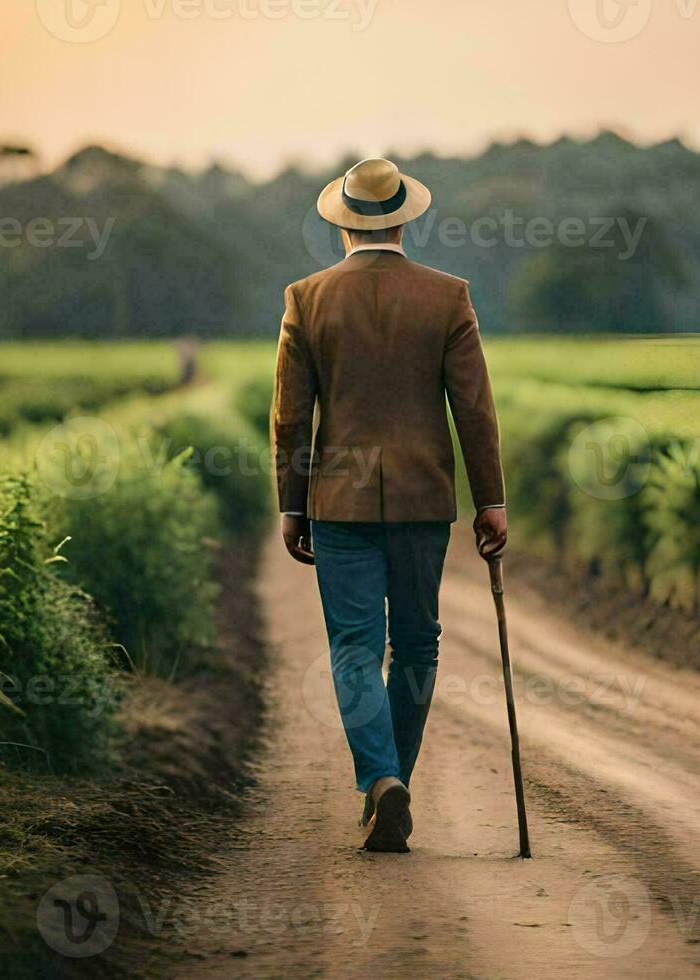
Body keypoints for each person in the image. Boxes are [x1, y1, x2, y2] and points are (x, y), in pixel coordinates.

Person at [271, 157, 507, 853]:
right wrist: (489, 499)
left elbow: (291, 417)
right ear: (406, 218)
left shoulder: (306, 298)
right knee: (418, 642)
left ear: (341, 225)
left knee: (353, 646)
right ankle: (392, 778)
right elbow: (475, 409)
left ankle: (380, 781)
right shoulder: (448, 296)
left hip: (338, 503)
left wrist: (292, 504)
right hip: (423, 498)